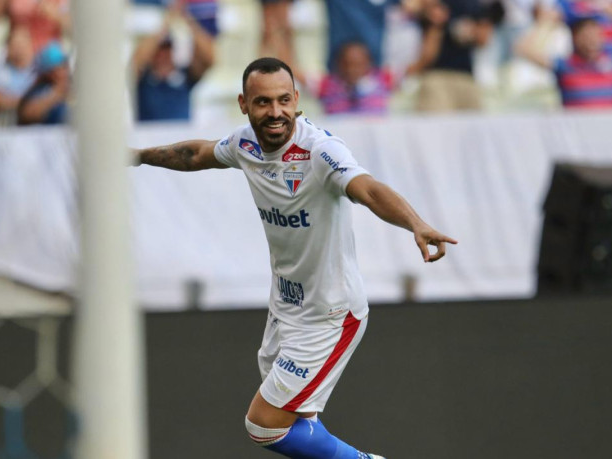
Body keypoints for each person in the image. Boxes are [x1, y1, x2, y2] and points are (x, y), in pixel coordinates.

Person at [132, 57, 457, 459]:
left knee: (264, 425)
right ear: (243, 104)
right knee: (299, 424)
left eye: (284, 100)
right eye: (263, 102)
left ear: (297, 99)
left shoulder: (320, 151)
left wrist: (416, 224)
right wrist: (139, 155)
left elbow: (368, 189)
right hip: (286, 307)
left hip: (330, 313)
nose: (276, 112)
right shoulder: (244, 145)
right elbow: (194, 155)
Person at [516, 4, 612, 109]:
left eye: (595, 34)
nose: (591, 40)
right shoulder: (565, 65)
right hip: (576, 136)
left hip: (610, 133)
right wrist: (547, 22)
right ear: (574, 38)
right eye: (585, 36)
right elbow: (524, 49)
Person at [131, 2, 214, 122]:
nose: (164, 55)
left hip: (182, 139)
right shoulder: (144, 80)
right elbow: (136, 60)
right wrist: (165, 24)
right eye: (160, 50)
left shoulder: (186, 77)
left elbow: (209, 58)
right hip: (149, 140)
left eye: (168, 49)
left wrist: (188, 20)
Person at [412, 0, 494, 112]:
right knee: (434, 125)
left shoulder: (472, 5)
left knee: (474, 126)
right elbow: (428, 53)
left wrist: (470, 30)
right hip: (437, 75)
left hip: (466, 76)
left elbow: (484, 38)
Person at [0, 26, 36, 125]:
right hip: (8, 127)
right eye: (15, 45)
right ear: (8, 48)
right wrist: (25, 104)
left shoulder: (39, 71)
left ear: (30, 46)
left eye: (22, 45)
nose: (19, 50)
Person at [17, 40, 68, 125]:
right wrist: (56, 94)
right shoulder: (39, 90)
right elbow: (27, 114)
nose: (64, 71)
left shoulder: (72, 88)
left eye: (65, 66)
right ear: (49, 74)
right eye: (60, 68)